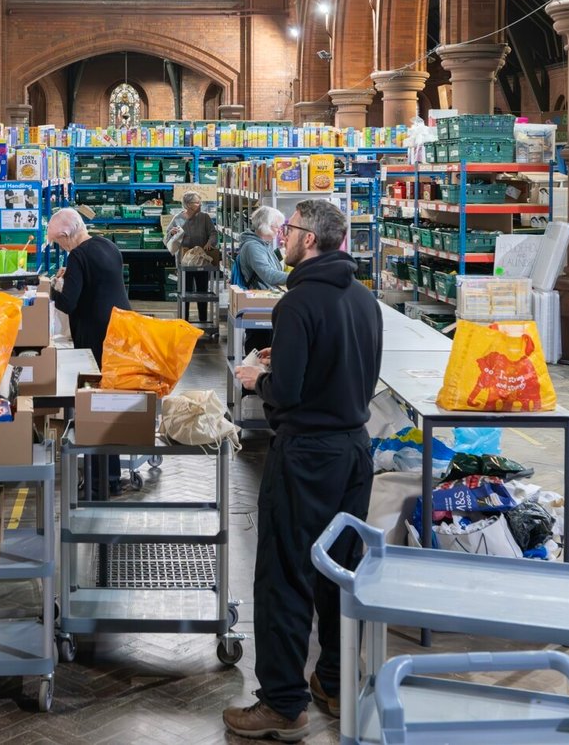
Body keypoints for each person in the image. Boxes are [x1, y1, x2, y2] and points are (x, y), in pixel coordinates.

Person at [225, 199, 382, 741]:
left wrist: (254, 379)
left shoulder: (296, 304)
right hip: (353, 453)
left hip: (306, 456)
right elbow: (350, 372)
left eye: (288, 230)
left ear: (309, 239)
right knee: (338, 572)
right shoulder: (365, 300)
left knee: (285, 575)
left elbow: (288, 393)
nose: (282, 238)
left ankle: (282, 704)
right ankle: (334, 684)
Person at [46, 208, 132, 496]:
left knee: (95, 408)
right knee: (109, 405)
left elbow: (68, 303)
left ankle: (99, 483)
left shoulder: (78, 256)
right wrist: (71, 278)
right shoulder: (107, 245)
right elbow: (97, 286)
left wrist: (51, 289)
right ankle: (111, 476)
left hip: (96, 342)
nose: (61, 248)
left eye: (59, 242)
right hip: (119, 335)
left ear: (67, 235)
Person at [170, 191, 218, 325]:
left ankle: (203, 320)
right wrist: (172, 233)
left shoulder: (205, 217)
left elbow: (213, 233)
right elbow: (169, 236)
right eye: (196, 202)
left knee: (202, 291)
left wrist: (210, 242)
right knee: (185, 292)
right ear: (187, 205)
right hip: (185, 260)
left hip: (202, 259)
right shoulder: (178, 218)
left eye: (199, 201)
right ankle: (184, 321)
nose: (199, 204)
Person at [235, 205, 289, 290]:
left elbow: (271, 263)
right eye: (277, 226)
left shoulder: (264, 244)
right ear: (266, 225)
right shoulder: (253, 247)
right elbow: (269, 275)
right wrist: (297, 276)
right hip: (260, 299)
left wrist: (282, 249)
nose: (279, 230)